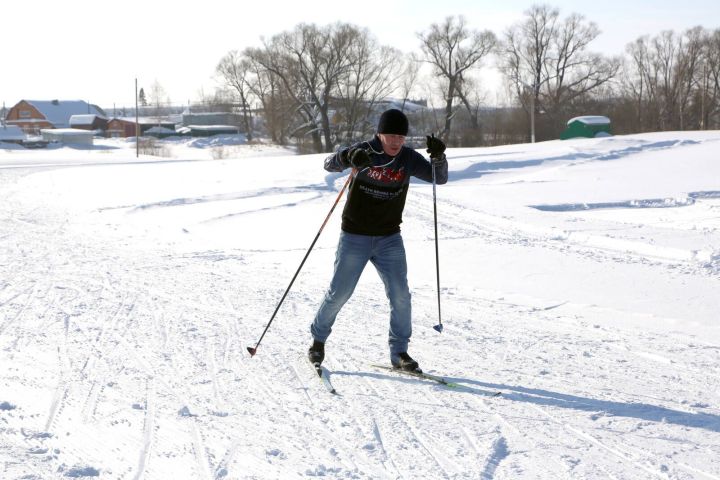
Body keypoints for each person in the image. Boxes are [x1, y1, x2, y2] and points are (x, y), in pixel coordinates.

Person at [308, 108, 448, 372]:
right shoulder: (365, 151)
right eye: (390, 136)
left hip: (389, 238)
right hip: (355, 236)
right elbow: (329, 163)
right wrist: (348, 156)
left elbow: (438, 178)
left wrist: (439, 157)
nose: (396, 142)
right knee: (340, 293)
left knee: (401, 296)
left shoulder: (407, 159)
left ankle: (400, 353)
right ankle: (317, 341)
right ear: (379, 134)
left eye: (400, 137)